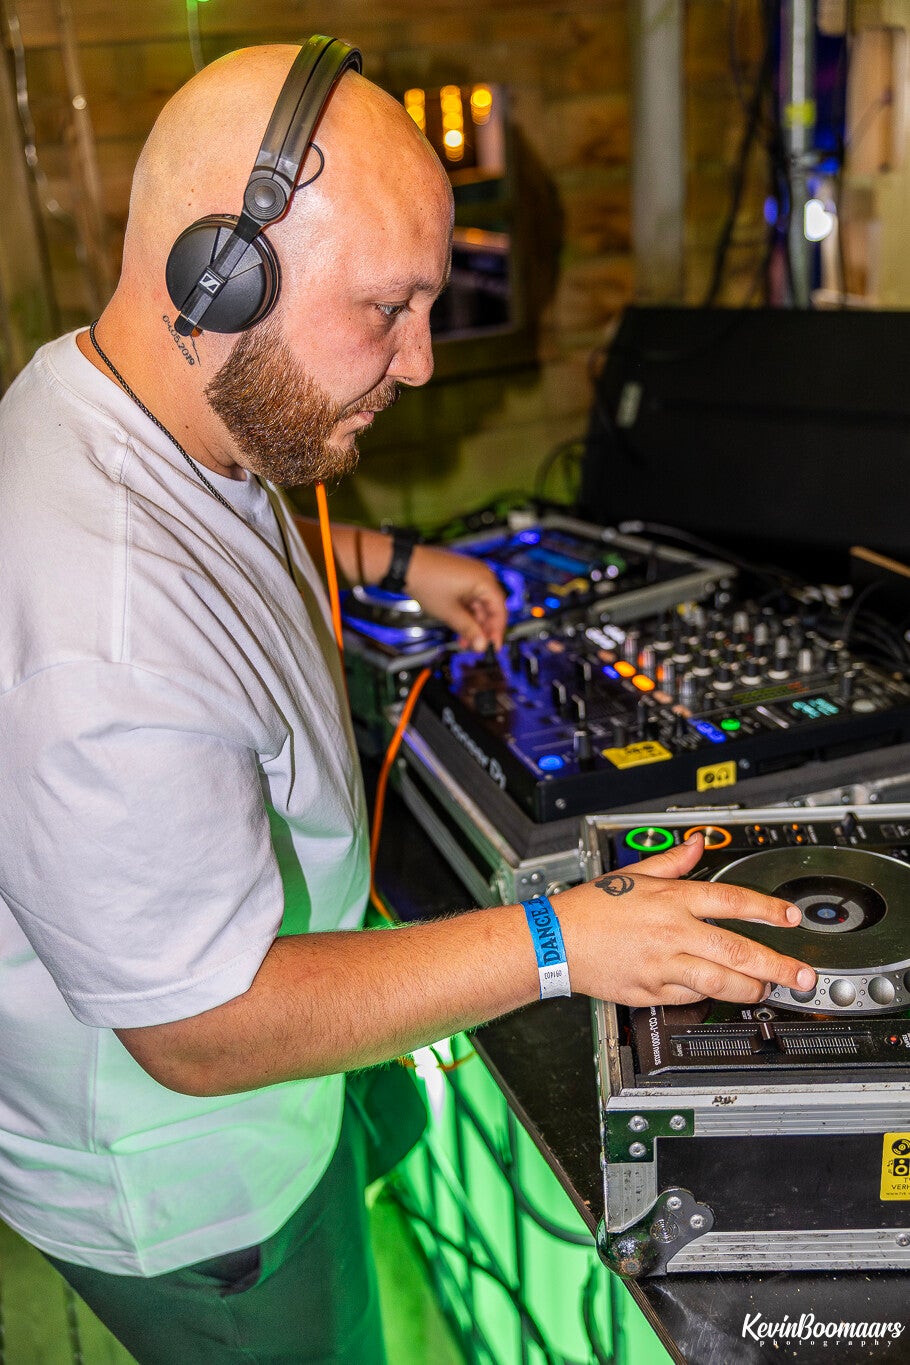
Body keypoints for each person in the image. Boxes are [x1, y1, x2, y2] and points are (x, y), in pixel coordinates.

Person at [0, 41, 816, 1365]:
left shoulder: (126, 400)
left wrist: (389, 560)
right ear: (219, 277)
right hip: (208, 1193)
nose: (421, 362)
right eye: (387, 308)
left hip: (281, 1098)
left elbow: (211, 534)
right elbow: (204, 1032)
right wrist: (561, 940)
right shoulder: (98, 641)